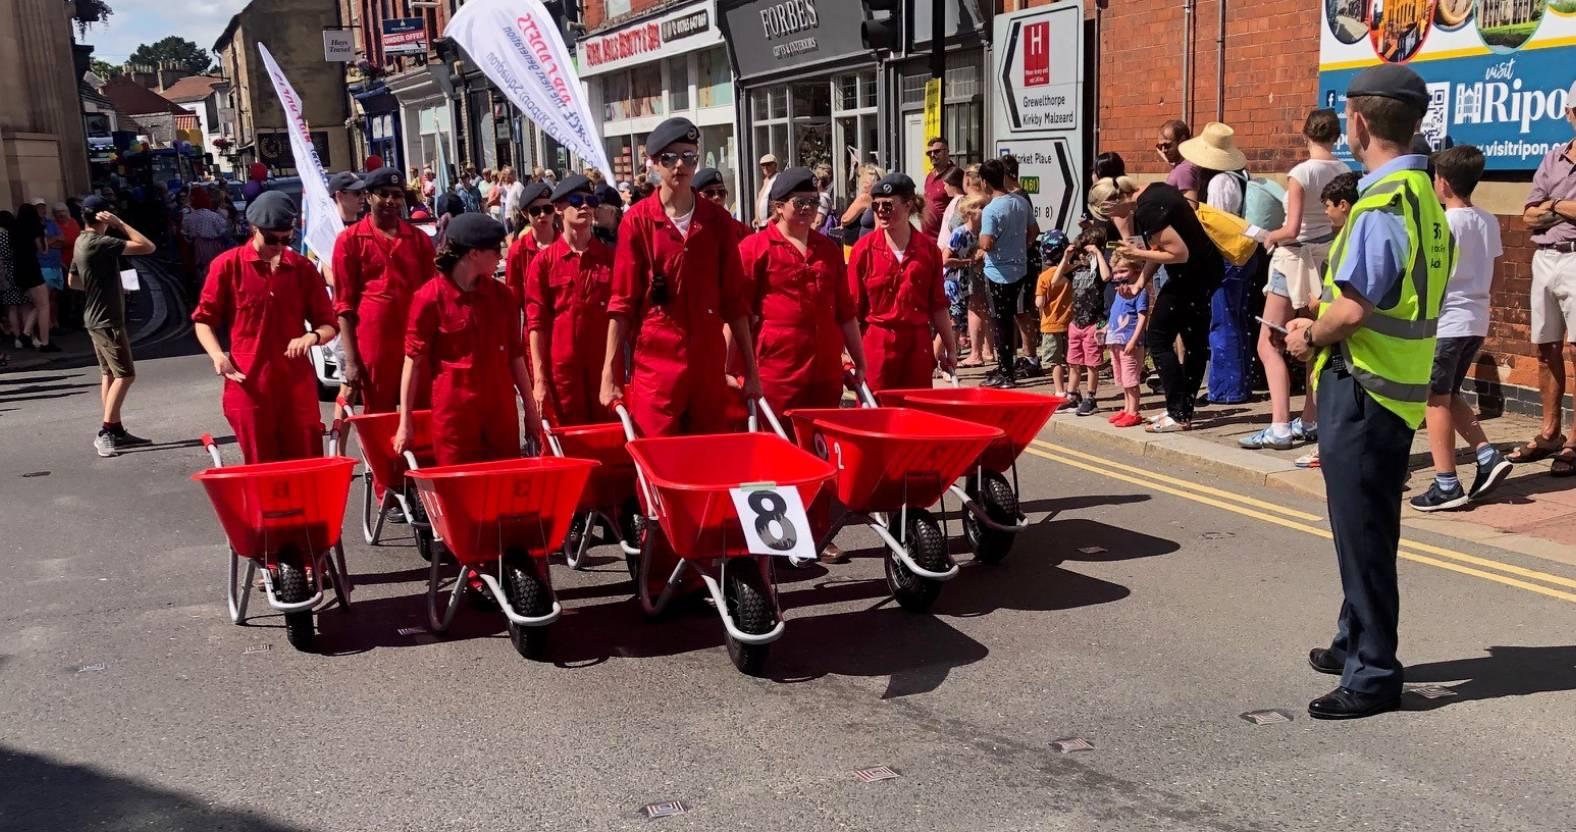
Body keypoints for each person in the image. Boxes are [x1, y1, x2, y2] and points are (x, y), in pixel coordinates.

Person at [1283, 63, 1453, 720]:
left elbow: (1351, 311)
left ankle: (1374, 671)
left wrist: (1308, 334)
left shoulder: (1382, 205)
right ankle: (1353, 637)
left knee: (1363, 534)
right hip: (1395, 389)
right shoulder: (1424, 200)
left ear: (1357, 123)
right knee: (1368, 528)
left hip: (1362, 389)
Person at [599, 116, 761, 436]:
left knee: (709, 462)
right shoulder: (638, 223)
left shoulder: (717, 222)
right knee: (658, 460)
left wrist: (751, 371)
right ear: (655, 164)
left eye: (688, 157)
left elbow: (735, 302)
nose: (679, 166)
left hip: (707, 368)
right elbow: (621, 305)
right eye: (670, 158)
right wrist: (609, 374)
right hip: (657, 370)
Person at [191, 193, 337, 464]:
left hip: (295, 387)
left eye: (287, 239)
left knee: (306, 465)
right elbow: (203, 321)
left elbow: (329, 324)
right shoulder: (227, 266)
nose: (279, 246)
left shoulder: (302, 269)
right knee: (261, 467)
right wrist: (218, 356)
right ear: (253, 229)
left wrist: (312, 336)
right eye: (272, 239)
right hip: (249, 386)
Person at [1409, 146, 1514, 510]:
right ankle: (1487, 456)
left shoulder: (1443, 224)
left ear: (1443, 182)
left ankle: (1447, 484)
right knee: (1450, 393)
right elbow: (1497, 276)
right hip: (1475, 320)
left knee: (1433, 399)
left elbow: (1430, 278)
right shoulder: (1487, 219)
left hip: (1446, 322)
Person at [1242, 109, 1348, 452]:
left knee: (1269, 342)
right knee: (1316, 341)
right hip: (1326, 259)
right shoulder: (1346, 170)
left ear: (1305, 135)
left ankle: (1278, 426)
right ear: (1337, 135)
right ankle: (1309, 421)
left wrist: (1265, 236)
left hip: (1292, 260)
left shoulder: (1301, 172)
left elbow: (1290, 228)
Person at [397, 213, 536, 466]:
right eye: (494, 250)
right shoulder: (429, 299)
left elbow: (516, 358)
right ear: (473, 253)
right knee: (459, 493)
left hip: (500, 413)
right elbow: (413, 363)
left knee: (503, 488)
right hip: (455, 418)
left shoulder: (502, 297)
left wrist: (531, 411)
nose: (500, 256)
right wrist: (405, 422)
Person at [1091, 173, 1222, 432]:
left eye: (1107, 215)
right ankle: (1182, 410)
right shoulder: (1153, 192)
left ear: (1111, 204)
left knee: (1159, 338)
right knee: (1193, 342)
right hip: (1203, 271)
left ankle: (1178, 412)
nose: (1112, 221)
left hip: (1194, 275)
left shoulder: (1148, 211)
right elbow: (1159, 248)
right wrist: (1140, 283)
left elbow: (1178, 253)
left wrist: (1135, 253)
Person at [739, 166, 867, 418]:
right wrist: (733, 370)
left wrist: (860, 362)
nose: (808, 208)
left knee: (822, 445)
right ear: (779, 206)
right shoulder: (754, 249)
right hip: (778, 373)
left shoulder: (829, 251)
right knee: (779, 447)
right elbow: (738, 314)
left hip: (825, 373)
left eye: (813, 201)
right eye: (799, 202)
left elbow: (845, 312)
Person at [332, 167, 436, 414]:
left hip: (415, 342)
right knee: (380, 415)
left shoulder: (418, 240)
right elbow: (343, 306)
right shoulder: (350, 240)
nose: (391, 201)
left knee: (422, 412)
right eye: (384, 194)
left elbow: (433, 296)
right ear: (369, 197)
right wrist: (352, 360)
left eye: (397, 195)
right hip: (374, 345)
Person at [1514, 81, 1576, 476]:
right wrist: (1560, 206)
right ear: (1570, 113)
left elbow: (1542, 210)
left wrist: (1548, 207)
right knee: (1545, 347)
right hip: (1544, 258)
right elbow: (1528, 214)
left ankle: (1575, 440)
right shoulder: (1552, 158)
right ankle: (1550, 431)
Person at [849, 173, 957, 391]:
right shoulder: (863, 250)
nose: (880, 211)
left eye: (888, 205)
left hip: (916, 344)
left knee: (917, 411)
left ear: (908, 205)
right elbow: (851, 309)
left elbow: (938, 305)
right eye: (876, 205)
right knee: (876, 414)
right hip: (876, 342)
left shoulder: (928, 251)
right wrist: (847, 353)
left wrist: (950, 348)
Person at [524, 174, 616, 427]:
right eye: (576, 200)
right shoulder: (543, 263)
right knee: (565, 445)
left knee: (609, 443)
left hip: (602, 371)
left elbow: (623, 318)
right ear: (558, 208)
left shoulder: (609, 259)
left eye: (591, 200)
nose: (585, 206)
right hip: (561, 375)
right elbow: (536, 325)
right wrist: (540, 380)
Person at [71, 195, 157, 457]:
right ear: (102, 217)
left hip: (94, 317)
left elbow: (73, 281)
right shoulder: (100, 242)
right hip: (107, 319)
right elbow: (147, 246)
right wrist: (120, 223)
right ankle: (106, 431)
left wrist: (102, 282)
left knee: (109, 374)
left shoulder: (81, 241)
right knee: (125, 374)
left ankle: (116, 428)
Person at [976, 159, 1030, 388]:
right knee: (1009, 319)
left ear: (984, 181)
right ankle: (1005, 365)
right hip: (1019, 267)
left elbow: (986, 243)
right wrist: (1019, 247)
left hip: (998, 271)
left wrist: (983, 245)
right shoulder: (1020, 202)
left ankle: (1006, 373)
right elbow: (1034, 231)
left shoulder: (991, 210)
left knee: (1000, 321)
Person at [1052, 229, 1110, 416]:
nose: (1082, 257)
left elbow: (1107, 277)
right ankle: (1072, 395)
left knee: (1092, 363)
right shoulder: (1076, 268)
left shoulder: (1100, 268)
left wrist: (1098, 254)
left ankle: (1091, 397)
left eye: (1085, 253)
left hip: (1093, 322)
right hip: (1076, 322)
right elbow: (1055, 280)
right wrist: (1066, 257)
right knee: (1073, 362)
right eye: (1080, 253)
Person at [1002, 156, 1044, 377]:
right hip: (1020, 260)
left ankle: (1031, 357)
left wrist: (1022, 248)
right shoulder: (1016, 196)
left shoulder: (1019, 197)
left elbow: (1033, 230)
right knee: (1018, 311)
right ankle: (1025, 355)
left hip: (1023, 262)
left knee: (1022, 310)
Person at [1106, 252, 1151, 427]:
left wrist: (1134, 340)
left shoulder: (1139, 292)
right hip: (1116, 342)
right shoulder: (1120, 292)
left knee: (1131, 381)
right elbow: (1115, 316)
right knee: (1124, 379)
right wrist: (1105, 330)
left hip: (1130, 343)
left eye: (1123, 271)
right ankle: (1126, 409)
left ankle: (1134, 412)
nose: (1118, 276)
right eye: (1116, 272)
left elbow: (1142, 318)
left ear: (1137, 269)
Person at [944, 195, 988, 366]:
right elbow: (945, 259)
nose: (983, 212)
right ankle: (947, 356)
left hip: (964, 283)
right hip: (953, 282)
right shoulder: (960, 233)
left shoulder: (980, 233)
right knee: (954, 320)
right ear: (970, 212)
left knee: (959, 319)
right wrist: (967, 262)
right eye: (979, 208)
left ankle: (951, 355)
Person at [504, 182, 556, 318]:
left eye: (548, 209)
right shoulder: (517, 251)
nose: (543, 214)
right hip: (533, 328)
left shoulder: (567, 245)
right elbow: (513, 301)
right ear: (525, 213)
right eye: (535, 211)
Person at [1033, 230, 1073, 401]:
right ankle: (1073, 388)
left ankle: (1059, 390)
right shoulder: (1071, 272)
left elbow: (1039, 303)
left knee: (1055, 361)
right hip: (1070, 322)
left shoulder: (1044, 277)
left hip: (1051, 324)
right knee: (1072, 359)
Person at [11, 203, 53, 351]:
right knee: (44, 305)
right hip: (32, 268)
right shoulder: (34, 227)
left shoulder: (14, 229)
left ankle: (27, 333)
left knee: (33, 304)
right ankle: (44, 341)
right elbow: (43, 250)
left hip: (18, 270)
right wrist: (44, 238)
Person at [182, 188, 234, 287]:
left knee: (201, 270)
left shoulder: (189, 217)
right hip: (215, 245)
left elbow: (186, 234)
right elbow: (224, 231)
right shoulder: (214, 216)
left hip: (197, 246)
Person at [694, 167, 750, 240]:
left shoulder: (741, 230)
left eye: (721, 193)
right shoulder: (688, 231)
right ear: (695, 196)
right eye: (710, 193)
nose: (717, 197)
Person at [1157, 120, 1202, 200]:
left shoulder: (1185, 170)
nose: (1163, 150)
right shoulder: (1183, 166)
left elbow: (1191, 208)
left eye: (1167, 145)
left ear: (1182, 141)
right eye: (1160, 146)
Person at [922, 136, 957, 239]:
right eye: (929, 153)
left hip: (944, 238)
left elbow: (963, 206)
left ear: (947, 152)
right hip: (927, 238)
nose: (932, 155)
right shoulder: (929, 176)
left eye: (937, 151)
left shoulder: (954, 175)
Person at [841, 164, 883, 246]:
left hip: (854, 243)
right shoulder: (878, 199)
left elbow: (845, 219)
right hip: (867, 241)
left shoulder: (864, 198)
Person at [753, 154, 779, 229]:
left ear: (775, 165)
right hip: (761, 225)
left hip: (771, 224)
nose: (765, 167)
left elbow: (781, 202)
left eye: (768, 164)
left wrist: (772, 219)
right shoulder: (766, 180)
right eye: (763, 165)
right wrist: (756, 218)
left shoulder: (778, 179)